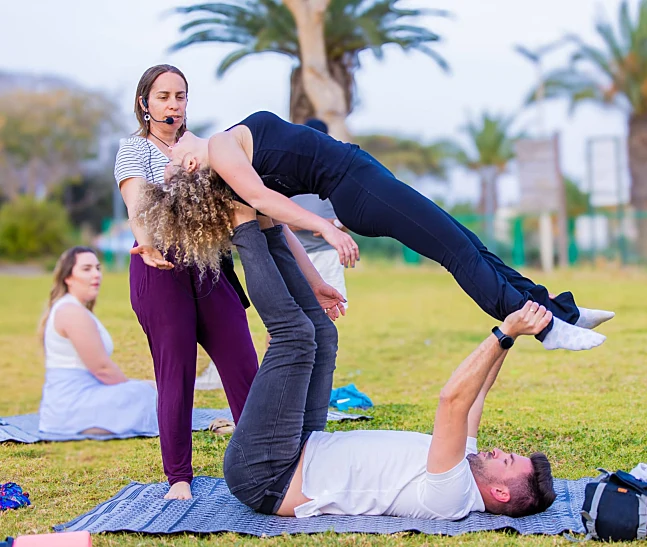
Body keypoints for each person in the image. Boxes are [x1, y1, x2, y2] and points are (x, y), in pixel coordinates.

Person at [146, 111, 614, 352]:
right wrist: (327, 230)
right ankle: (546, 328)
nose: (176, 136)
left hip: (362, 181)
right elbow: (271, 204)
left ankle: (557, 310)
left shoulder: (229, 162)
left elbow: (280, 230)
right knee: (458, 252)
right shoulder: (222, 149)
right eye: (172, 152)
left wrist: (319, 276)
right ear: (189, 164)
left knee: (470, 244)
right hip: (357, 188)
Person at [223, 293, 556, 519]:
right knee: (322, 333)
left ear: (499, 492)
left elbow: (452, 401)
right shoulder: (464, 463)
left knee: (294, 336)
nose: (498, 450)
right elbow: (478, 392)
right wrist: (515, 331)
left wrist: (506, 331)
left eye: (507, 460)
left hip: (269, 477)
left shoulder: (452, 495)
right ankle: (271, 227)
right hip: (300, 446)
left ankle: (251, 226)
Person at [114, 65, 260, 500]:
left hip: (210, 265)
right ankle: (179, 477)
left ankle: (266, 465)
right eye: (163, 96)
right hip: (158, 266)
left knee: (243, 366)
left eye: (180, 96)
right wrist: (147, 244)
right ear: (145, 103)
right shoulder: (133, 149)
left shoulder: (204, 146)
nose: (173, 104)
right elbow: (136, 202)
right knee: (175, 373)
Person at [38, 247, 158, 437]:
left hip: (74, 400)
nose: (96, 275)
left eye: (97, 268)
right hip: (71, 406)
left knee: (151, 390)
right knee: (150, 394)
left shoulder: (74, 308)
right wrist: (132, 388)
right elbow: (102, 369)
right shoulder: (71, 312)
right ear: (68, 277)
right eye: (86, 269)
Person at [289, 118, 349, 304]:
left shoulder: (335, 172)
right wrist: (302, 223)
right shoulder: (286, 169)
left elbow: (349, 219)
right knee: (289, 310)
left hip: (326, 253)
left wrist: (332, 225)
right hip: (292, 252)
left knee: (330, 307)